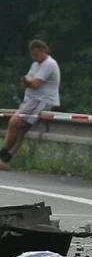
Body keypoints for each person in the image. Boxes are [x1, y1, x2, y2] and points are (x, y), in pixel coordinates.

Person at [0, 40, 60, 170]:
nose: (34, 57)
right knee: (20, 130)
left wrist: (28, 81)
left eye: (37, 54)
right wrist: (28, 81)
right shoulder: (36, 64)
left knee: (14, 122)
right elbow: (27, 80)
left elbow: (35, 83)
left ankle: (2, 155)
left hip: (40, 100)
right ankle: (5, 160)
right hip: (32, 99)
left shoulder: (49, 63)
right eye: (32, 55)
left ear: (44, 51)